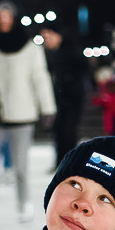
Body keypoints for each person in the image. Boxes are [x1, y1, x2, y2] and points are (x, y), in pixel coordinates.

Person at [0, 0, 56, 224]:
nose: (3, 19)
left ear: (15, 17)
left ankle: (24, 204)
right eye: (0, 15)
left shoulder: (31, 47)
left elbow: (40, 78)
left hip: (22, 112)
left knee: (21, 165)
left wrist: (48, 107)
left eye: (7, 15)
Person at [40, 25, 87, 166]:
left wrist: (68, 80)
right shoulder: (49, 53)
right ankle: (61, 161)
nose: (46, 40)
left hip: (71, 99)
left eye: (48, 37)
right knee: (59, 132)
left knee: (68, 132)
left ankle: (69, 162)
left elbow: (83, 69)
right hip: (58, 100)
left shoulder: (71, 51)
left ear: (57, 35)